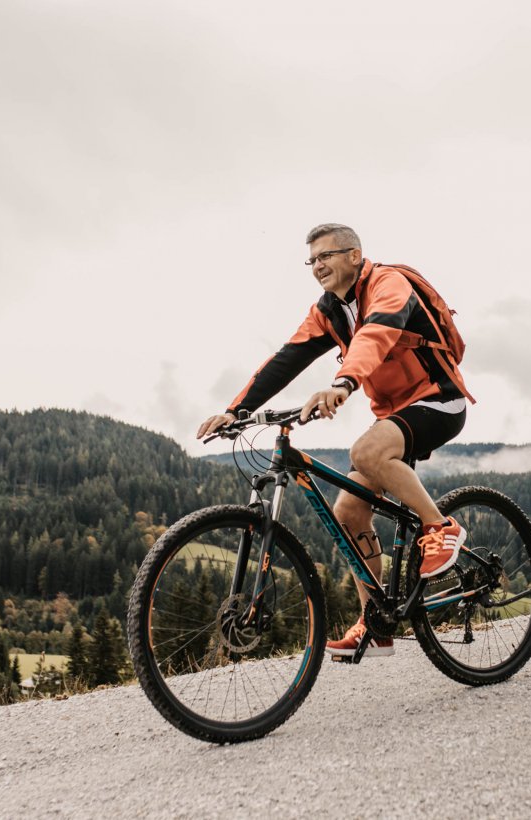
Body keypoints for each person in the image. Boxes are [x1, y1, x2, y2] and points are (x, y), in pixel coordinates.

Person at [197, 223, 473, 658]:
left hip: (439, 400)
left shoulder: (389, 283)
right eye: (311, 260)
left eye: (325, 256)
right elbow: (287, 357)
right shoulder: (328, 310)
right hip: (394, 413)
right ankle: (376, 624)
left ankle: (441, 528)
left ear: (354, 256)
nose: (317, 266)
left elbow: (376, 332)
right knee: (348, 510)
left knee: (366, 451)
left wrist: (343, 384)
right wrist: (236, 410)